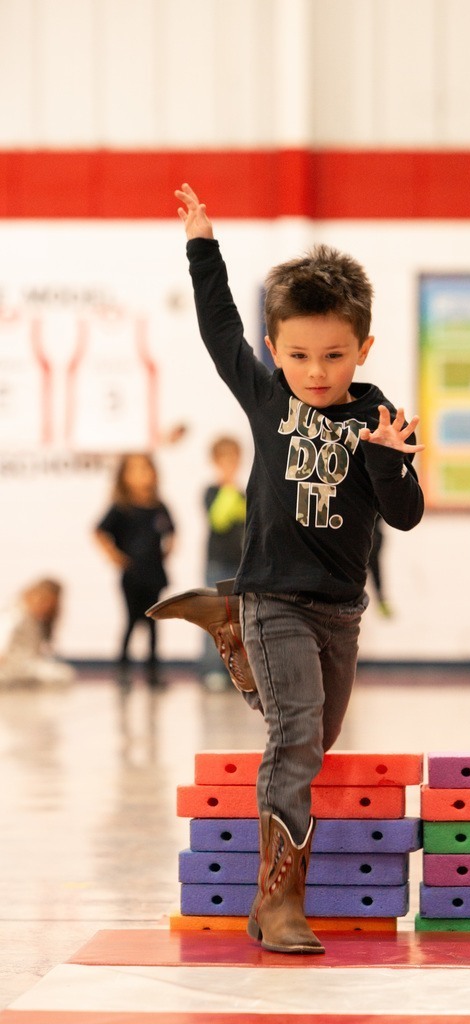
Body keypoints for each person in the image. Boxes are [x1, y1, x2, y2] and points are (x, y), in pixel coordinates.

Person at [148, 183, 424, 954]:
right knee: (297, 733)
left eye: (334, 355)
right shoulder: (268, 394)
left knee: (316, 735)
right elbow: (218, 326)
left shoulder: (378, 418)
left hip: (340, 608)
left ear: (363, 349)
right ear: (276, 351)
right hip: (273, 594)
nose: (315, 370)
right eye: (298, 354)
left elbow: (402, 516)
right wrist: (203, 246)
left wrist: (393, 466)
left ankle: (231, 641)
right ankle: (276, 900)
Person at [94, 453, 175, 687]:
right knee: (131, 621)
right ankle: (123, 669)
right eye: (135, 470)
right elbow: (99, 532)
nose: (142, 475)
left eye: (146, 469)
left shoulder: (158, 506)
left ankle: (152, 671)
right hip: (132, 575)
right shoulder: (122, 508)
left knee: (153, 623)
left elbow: (171, 532)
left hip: (154, 574)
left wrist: (165, 553)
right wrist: (116, 557)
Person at [199, 436, 246, 691]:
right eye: (224, 459)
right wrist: (228, 487)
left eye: (234, 459)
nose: (230, 464)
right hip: (218, 563)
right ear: (215, 462)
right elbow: (218, 520)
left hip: (240, 565)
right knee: (215, 618)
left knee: (237, 620)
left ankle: (237, 671)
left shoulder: (241, 493)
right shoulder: (212, 492)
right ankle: (211, 670)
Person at [0, 578, 75, 687]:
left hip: (26, 665)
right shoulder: (16, 614)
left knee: (63, 673)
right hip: (12, 665)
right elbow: (4, 634)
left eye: (50, 605)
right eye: (44, 601)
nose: (45, 607)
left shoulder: (36, 619)